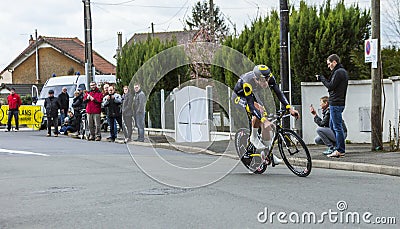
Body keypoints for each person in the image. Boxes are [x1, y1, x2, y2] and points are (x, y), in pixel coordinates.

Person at [233, 65, 299, 165]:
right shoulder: (248, 82)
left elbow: (279, 93)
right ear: (256, 79)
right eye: (262, 81)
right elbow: (251, 106)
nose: (266, 83)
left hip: (253, 94)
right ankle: (253, 137)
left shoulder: (270, 77)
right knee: (259, 111)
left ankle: (269, 154)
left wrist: (290, 108)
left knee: (265, 124)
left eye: (267, 80)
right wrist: (264, 119)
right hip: (240, 97)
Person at [316, 54, 349, 158]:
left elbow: (330, 86)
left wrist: (321, 78)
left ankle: (340, 150)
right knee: (332, 126)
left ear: (334, 62)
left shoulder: (339, 72)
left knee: (337, 127)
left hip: (336, 104)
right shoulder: (341, 72)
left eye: (329, 63)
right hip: (337, 103)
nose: (328, 66)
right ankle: (336, 148)